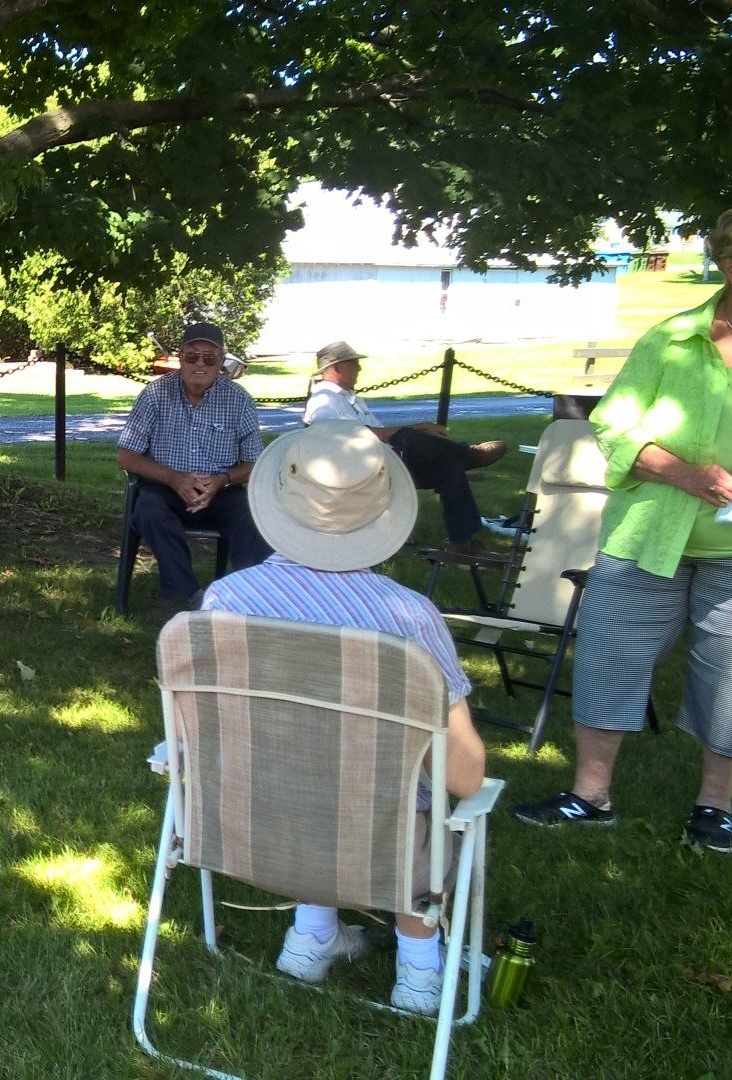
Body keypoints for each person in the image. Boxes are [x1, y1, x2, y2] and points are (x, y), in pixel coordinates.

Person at [202, 420, 488, 1016]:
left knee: (309, 770)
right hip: (381, 835)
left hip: (258, 819)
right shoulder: (407, 617)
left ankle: (311, 936)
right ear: (382, 511)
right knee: (416, 799)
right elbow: (464, 776)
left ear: (279, 500)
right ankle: (419, 970)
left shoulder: (225, 603)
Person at [510, 208, 732, 853]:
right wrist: (682, 472)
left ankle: (716, 809)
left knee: (729, 676)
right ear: (726, 264)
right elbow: (611, 425)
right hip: (645, 536)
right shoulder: (671, 339)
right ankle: (589, 798)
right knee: (609, 658)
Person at [116, 322, 273, 607]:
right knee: (148, 511)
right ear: (181, 358)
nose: (200, 364)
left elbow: (255, 462)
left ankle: (255, 598)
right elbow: (126, 456)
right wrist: (174, 478)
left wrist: (222, 480)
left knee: (252, 516)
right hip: (165, 487)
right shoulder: (155, 394)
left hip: (221, 489)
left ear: (221, 361)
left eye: (209, 358)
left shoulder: (239, 400)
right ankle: (191, 595)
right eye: (192, 356)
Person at [303, 341, 508, 555]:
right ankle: (469, 454)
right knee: (407, 437)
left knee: (449, 468)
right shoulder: (324, 401)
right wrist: (418, 428)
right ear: (337, 367)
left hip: (382, 465)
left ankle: (461, 544)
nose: (359, 368)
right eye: (354, 363)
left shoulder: (348, 399)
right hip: (359, 472)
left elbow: (378, 434)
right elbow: (351, 438)